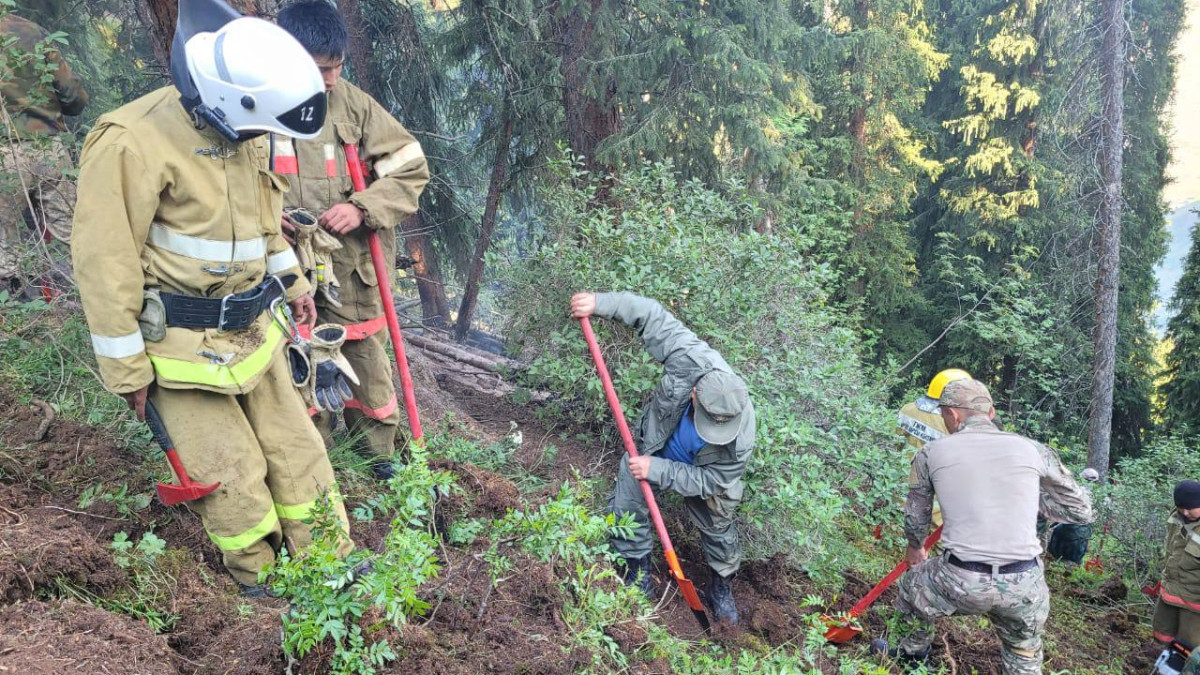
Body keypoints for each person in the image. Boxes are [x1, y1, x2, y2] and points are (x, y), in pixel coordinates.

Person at [70, 0, 352, 593]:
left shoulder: (241, 128)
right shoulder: (130, 142)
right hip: (178, 348)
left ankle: (331, 565)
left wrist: (293, 281)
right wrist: (126, 370)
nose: (261, 138)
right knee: (231, 475)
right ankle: (263, 584)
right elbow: (104, 261)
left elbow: (264, 222)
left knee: (299, 453)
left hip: (255, 331)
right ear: (226, 102)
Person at [275, 1, 430, 480]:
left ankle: (378, 458)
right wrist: (264, 217)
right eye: (322, 68)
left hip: (351, 269)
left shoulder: (355, 105)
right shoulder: (254, 102)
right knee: (291, 358)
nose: (330, 79)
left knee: (366, 360)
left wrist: (362, 207)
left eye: (338, 66)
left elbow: (410, 170)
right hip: (282, 268)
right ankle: (317, 462)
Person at [877, 378, 1093, 673]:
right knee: (1024, 649)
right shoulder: (1035, 450)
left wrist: (915, 548)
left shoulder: (930, 454)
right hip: (1024, 581)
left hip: (961, 578)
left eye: (944, 415)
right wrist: (1033, 504)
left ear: (952, 415)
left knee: (912, 587)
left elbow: (917, 517)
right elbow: (1080, 510)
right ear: (990, 413)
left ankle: (912, 657)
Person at [570, 291, 755, 625]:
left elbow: (712, 481)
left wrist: (660, 471)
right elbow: (652, 316)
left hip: (703, 470)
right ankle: (637, 572)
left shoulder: (741, 438)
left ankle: (720, 586)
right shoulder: (691, 359)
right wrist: (599, 303)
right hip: (657, 446)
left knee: (719, 525)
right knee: (628, 503)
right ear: (696, 394)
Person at [0, 11, 87, 293]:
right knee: (72, 234)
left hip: (5, 153)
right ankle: (90, 304)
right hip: (49, 148)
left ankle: (15, 317)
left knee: (5, 245)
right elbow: (73, 95)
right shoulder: (31, 30)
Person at [1150, 480, 1200, 675]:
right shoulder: (1176, 516)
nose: (1185, 513)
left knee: (1189, 647)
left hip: (1195, 601)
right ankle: (1164, 665)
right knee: (1163, 634)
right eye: (1181, 508)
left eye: (1191, 508)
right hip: (1170, 591)